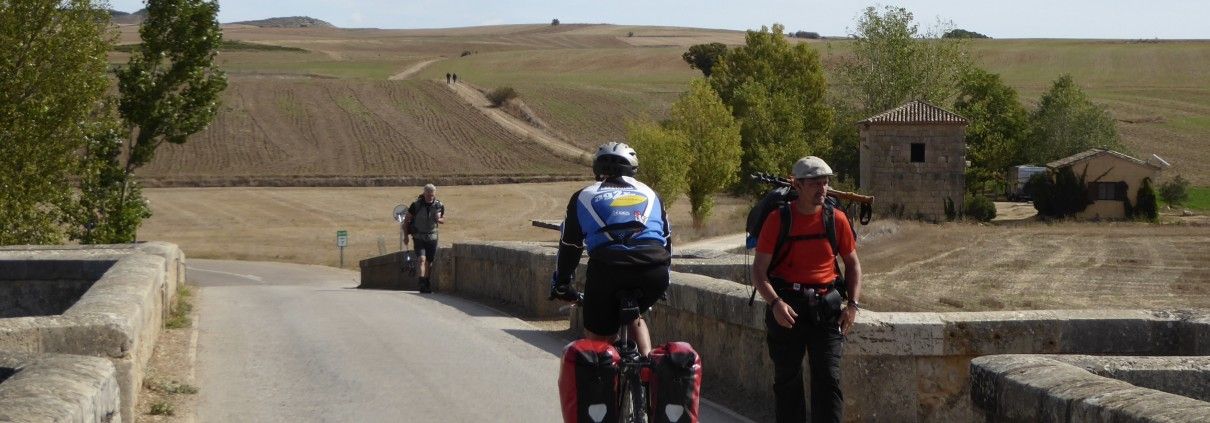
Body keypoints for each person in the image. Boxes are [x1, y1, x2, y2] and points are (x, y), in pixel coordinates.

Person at [750, 156, 863, 423]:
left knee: (828, 381)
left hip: (827, 309)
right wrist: (775, 303)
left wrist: (853, 305)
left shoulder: (837, 220)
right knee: (787, 381)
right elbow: (758, 271)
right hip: (787, 307)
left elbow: (853, 265)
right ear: (797, 185)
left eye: (825, 183)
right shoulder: (778, 220)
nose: (822, 189)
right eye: (814, 183)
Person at [549, 142, 671, 356]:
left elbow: (570, 246)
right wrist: (663, 281)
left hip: (607, 270)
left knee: (597, 338)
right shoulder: (652, 194)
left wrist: (561, 284)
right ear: (633, 168)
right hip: (654, 269)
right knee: (636, 316)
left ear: (598, 169)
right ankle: (647, 372)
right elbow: (666, 240)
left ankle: (601, 381)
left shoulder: (584, 196)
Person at [403, 184, 445, 293]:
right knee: (422, 259)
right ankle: (421, 283)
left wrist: (439, 219)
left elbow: (442, 218)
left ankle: (427, 282)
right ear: (424, 193)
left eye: (432, 194)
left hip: (432, 236)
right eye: (428, 193)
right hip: (418, 236)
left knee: (429, 262)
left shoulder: (439, 205)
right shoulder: (416, 205)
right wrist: (405, 236)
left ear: (434, 193)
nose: (430, 196)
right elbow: (406, 221)